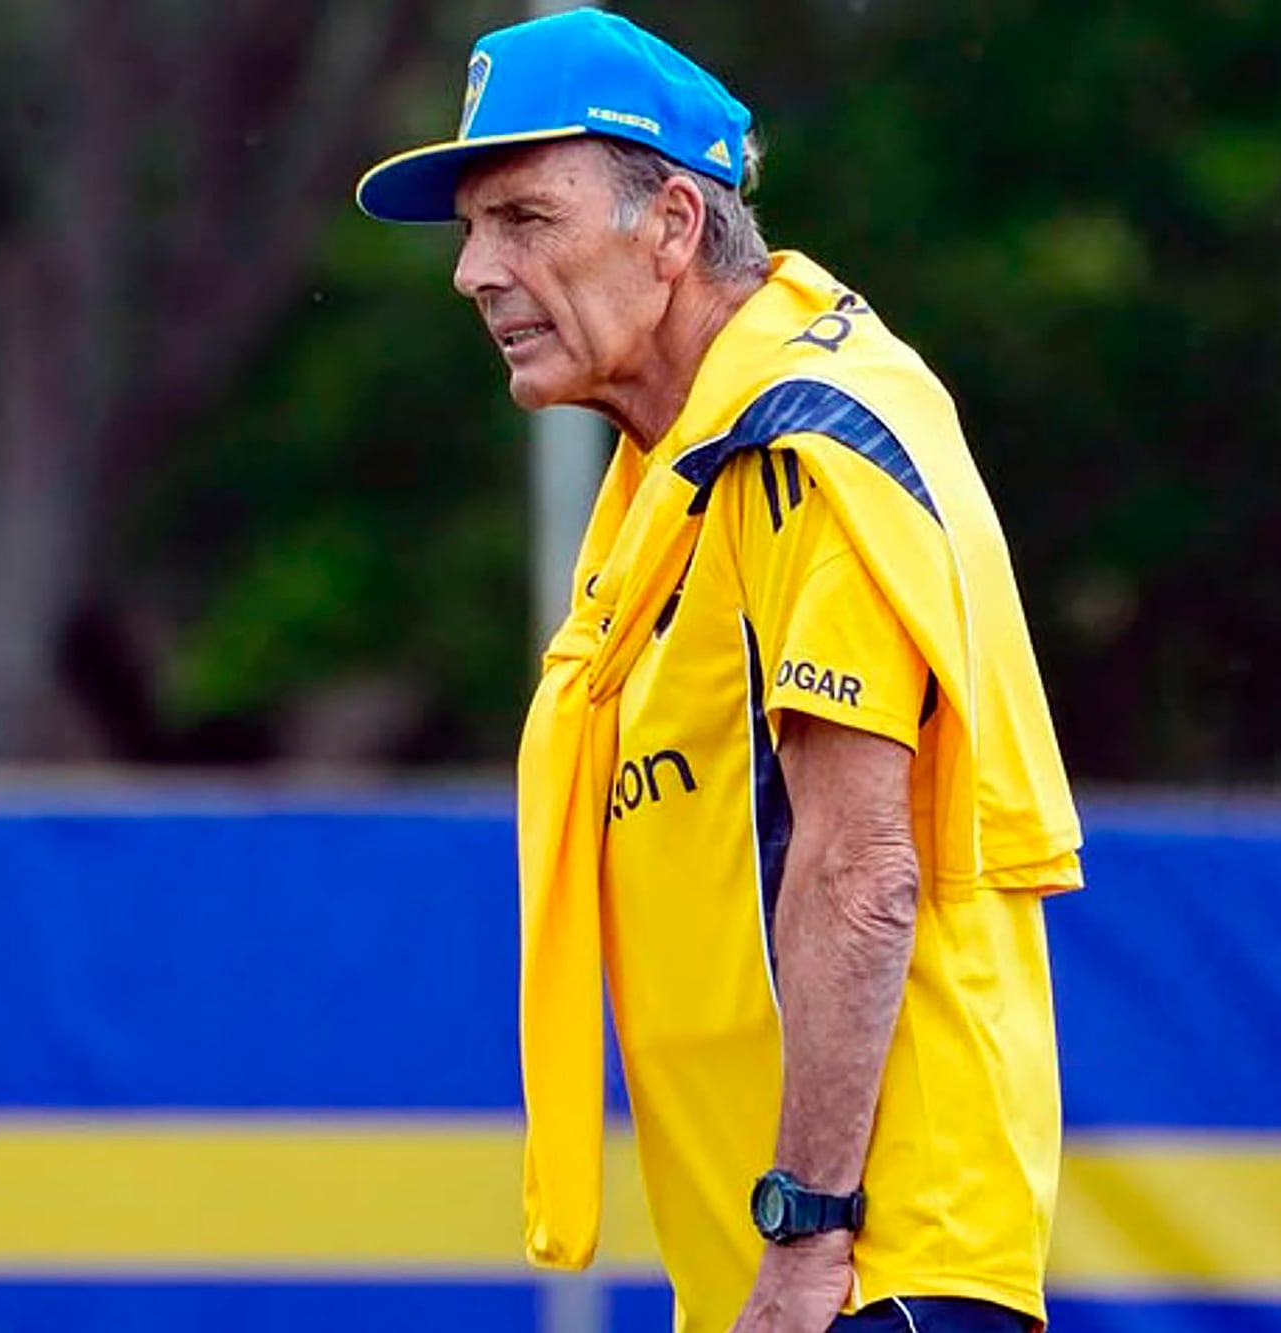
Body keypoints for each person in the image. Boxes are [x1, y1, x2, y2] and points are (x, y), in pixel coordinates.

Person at [357, 10, 1084, 1333]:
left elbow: (861, 871)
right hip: (789, 1274)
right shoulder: (673, 472)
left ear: (676, 226)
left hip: (874, 1269)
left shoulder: (803, 445)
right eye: (470, 229)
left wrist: (809, 1232)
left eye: (524, 219)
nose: (474, 270)